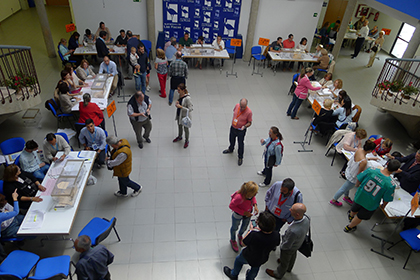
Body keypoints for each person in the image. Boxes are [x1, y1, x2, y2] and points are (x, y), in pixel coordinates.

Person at [344, 159, 401, 232]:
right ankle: (349, 227)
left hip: (360, 195)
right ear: (396, 170)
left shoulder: (371, 170)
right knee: (359, 217)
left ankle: (351, 216)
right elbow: (387, 198)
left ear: (387, 163)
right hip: (371, 203)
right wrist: (384, 205)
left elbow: (360, 178)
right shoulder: (390, 184)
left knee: (354, 208)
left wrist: (357, 185)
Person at [223, 211, 280, 280]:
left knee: (238, 260)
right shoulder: (276, 235)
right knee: (255, 268)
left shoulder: (254, 235)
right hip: (262, 257)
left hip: (248, 256)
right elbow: (276, 243)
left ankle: (233, 274)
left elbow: (243, 243)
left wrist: (250, 230)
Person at [265, 203, 310, 279]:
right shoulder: (306, 218)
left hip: (289, 247)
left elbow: (287, 245)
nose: (290, 210)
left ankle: (278, 274)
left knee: (285, 260)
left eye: (292, 210)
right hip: (298, 243)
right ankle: (289, 267)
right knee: (293, 255)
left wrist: (282, 247)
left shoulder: (294, 231)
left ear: (297, 214)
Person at [330, 140, 376, 207]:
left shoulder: (359, 150)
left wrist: (371, 158)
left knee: (346, 187)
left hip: (349, 171)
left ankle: (346, 197)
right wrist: (357, 184)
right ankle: (333, 200)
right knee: (343, 189)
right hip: (353, 177)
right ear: (370, 150)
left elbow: (361, 158)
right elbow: (359, 174)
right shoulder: (364, 162)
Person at [228, 181, 259, 252]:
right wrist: (243, 212)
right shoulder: (239, 198)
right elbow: (231, 206)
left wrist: (255, 205)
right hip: (238, 215)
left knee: (244, 226)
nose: (256, 194)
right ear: (247, 193)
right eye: (254, 193)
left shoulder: (250, 196)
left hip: (247, 214)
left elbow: (253, 198)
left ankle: (240, 235)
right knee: (234, 227)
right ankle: (233, 239)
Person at [222, 98, 253, 166]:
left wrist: (244, 126)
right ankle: (231, 149)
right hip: (233, 127)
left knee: (240, 143)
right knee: (231, 139)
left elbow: (250, 122)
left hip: (241, 130)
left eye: (243, 107)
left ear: (246, 105)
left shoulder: (249, 112)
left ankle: (240, 157)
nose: (242, 108)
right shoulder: (236, 106)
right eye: (241, 106)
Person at [173, 83, 193, 148]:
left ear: (183, 90)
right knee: (179, 126)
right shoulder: (180, 95)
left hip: (185, 116)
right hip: (179, 114)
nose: (177, 91)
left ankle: (187, 140)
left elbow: (190, 108)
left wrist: (181, 107)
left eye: (179, 90)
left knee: (186, 128)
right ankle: (180, 136)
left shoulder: (187, 98)